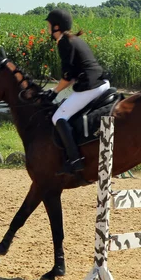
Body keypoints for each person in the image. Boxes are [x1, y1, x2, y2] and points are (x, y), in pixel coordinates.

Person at [40, 9, 111, 175]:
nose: (47, 29)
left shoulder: (64, 42)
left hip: (91, 86)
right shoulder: (74, 39)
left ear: (57, 27)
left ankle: (75, 160)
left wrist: (55, 91)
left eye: (48, 25)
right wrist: (55, 89)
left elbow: (68, 76)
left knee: (58, 117)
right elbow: (71, 77)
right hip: (101, 83)